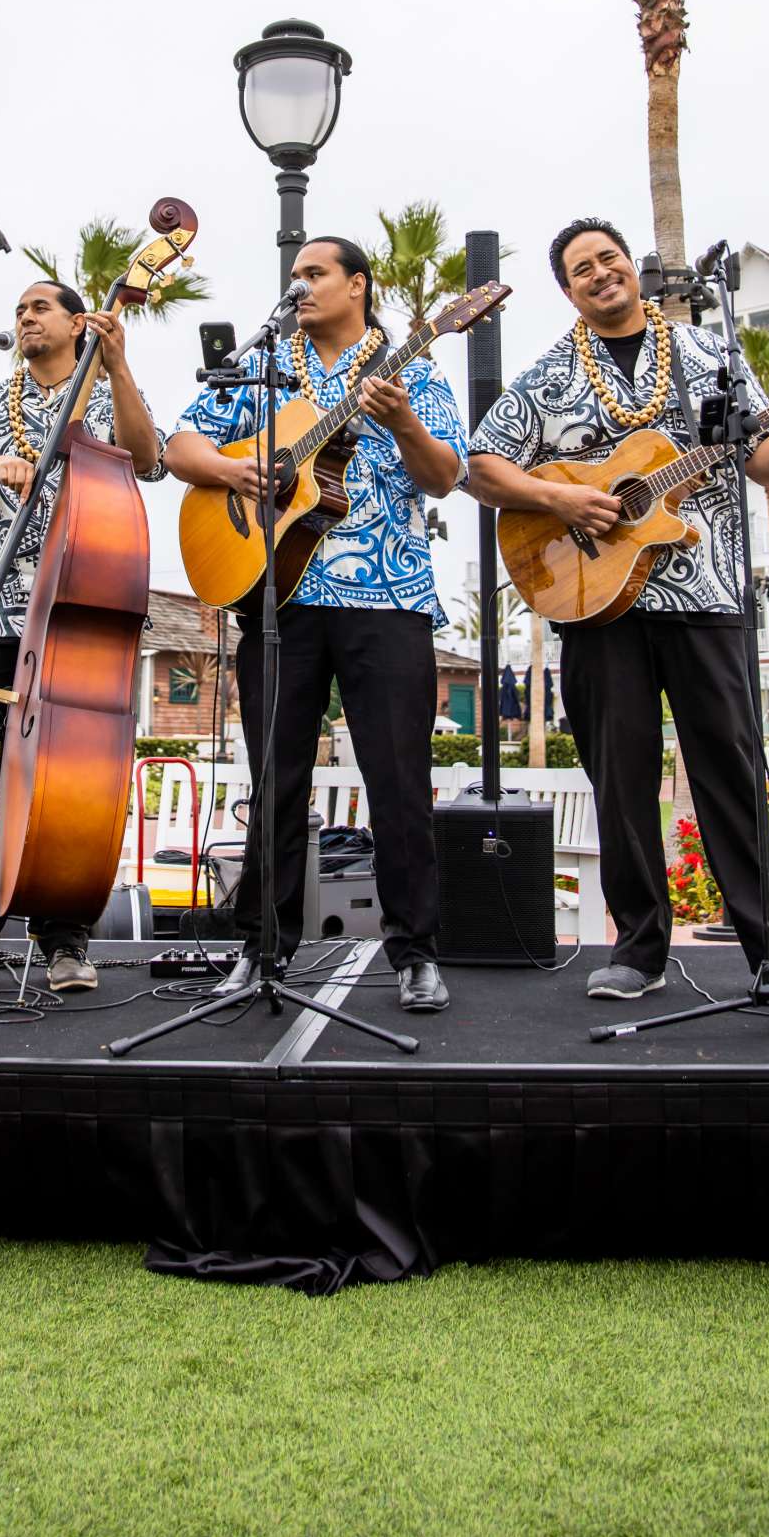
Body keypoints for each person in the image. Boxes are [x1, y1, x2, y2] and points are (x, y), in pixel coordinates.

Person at [467, 215, 769, 1001]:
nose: (601, 273)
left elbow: (761, 462)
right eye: (583, 269)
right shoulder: (547, 379)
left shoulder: (713, 357)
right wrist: (562, 497)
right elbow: (481, 468)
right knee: (621, 781)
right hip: (595, 603)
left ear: (631, 269)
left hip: (706, 594)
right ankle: (637, 952)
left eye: (609, 258)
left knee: (731, 775)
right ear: (567, 290)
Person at [165, 237, 470, 1012]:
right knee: (275, 781)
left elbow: (444, 476)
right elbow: (179, 445)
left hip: (389, 600)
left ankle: (415, 953)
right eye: (294, 275)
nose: (299, 285)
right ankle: (262, 947)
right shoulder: (267, 367)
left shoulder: (416, 369)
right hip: (280, 600)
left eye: (315, 273)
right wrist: (234, 471)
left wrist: (402, 423)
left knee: (398, 781)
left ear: (358, 285)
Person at [0, 279, 166, 997]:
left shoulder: (101, 394)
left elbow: (146, 459)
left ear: (75, 321)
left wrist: (118, 363)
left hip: (78, 617)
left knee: (72, 786)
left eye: (40, 308)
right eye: (19, 310)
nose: (25, 318)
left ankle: (64, 940)